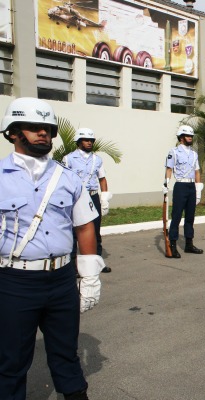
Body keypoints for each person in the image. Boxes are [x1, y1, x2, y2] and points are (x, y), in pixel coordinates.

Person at [0, 97, 104, 400]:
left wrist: (89, 277)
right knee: (12, 360)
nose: (43, 134)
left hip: (61, 281)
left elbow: (85, 227)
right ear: (13, 132)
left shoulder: (67, 177)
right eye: (34, 128)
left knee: (65, 354)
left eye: (47, 129)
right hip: (14, 282)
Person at [63, 128, 112, 273]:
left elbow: (102, 178)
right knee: (74, 231)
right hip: (76, 197)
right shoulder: (69, 158)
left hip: (92, 196)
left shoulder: (97, 159)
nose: (89, 143)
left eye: (91, 140)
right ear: (79, 142)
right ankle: (73, 266)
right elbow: (64, 180)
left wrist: (104, 198)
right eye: (86, 140)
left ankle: (97, 262)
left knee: (95, 230)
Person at [163, 125, 204, 258]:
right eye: (188, 136)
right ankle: (173, 245)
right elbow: (169, 169)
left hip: (191, 186)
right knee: (176, 217)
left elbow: (197, 171)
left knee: (190, 217)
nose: (190, 138)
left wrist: (198, 189)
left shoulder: (194, 154)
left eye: (191, 136)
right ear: (181, 137)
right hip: (180, 186)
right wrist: (166, 183)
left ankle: (189, 244)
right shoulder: (173, 152)